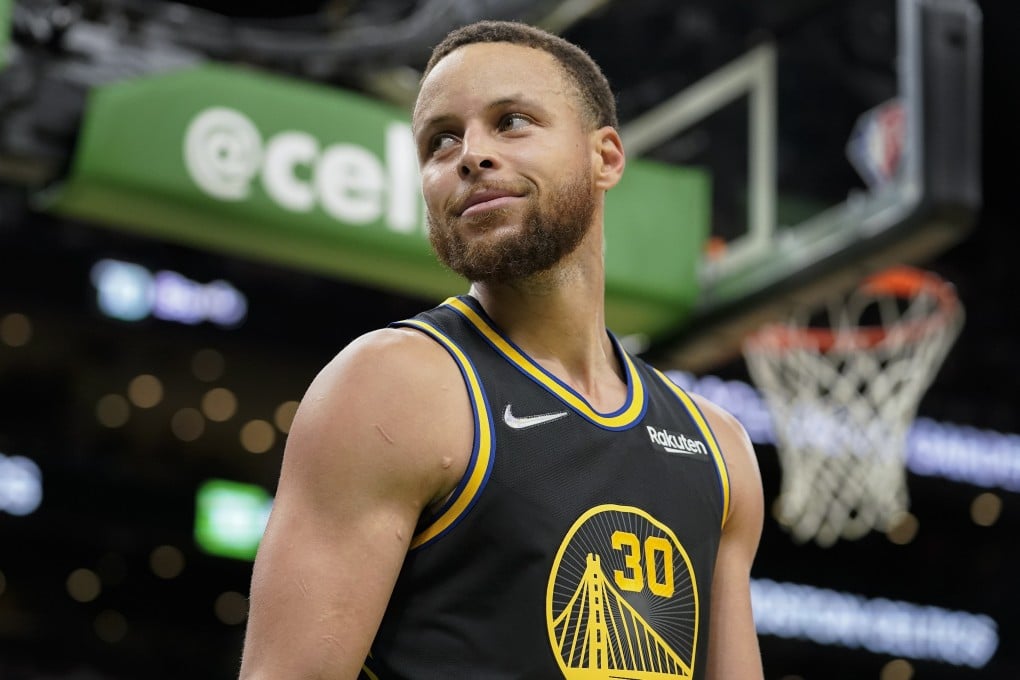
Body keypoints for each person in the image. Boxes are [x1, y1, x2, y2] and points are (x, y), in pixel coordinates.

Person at [238, 19, 764, 680]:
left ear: (605, 157)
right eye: (441, 140)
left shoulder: (720, 449)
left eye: (512, 121)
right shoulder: (390, 387)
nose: (470, 154)